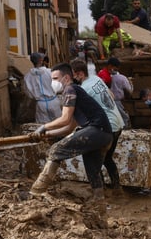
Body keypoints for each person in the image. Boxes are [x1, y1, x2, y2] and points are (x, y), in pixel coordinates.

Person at [29, 62, 112, 201]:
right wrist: (47, 135)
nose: (53, 82)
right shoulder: (76, 91)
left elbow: (65, 119)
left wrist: (44, 127)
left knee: (56, 150)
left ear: (66, 78)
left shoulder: (70, 90)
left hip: (96, 130)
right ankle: (99, 201)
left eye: (55, 78)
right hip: (104, 134)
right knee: (92, 169)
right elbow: (70, 127)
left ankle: (38, 190)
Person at [71, 59, 125, 192]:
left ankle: (99, 193)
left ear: (80, 74)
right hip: (118, 123)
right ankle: (117, 188)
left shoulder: (83, 90)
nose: (72, 77)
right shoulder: (96, 79)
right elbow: (111, 95)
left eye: (73, 74)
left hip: (107, 127)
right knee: (107, 158)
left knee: (93, 161)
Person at [24, 52, 62, 123]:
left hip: (40, 104)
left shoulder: (27, 76)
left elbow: (28, 93)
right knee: (58, 124)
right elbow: (59, 85)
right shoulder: (51, 72)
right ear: (41, 61)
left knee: (43, 127)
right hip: (53, 102)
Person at [100, 57, 133, 124]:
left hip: (106, 100)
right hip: (116, 100)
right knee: (123, 116)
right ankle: (125, 126)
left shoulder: (103, 74)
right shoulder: (121, 78)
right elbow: (128, 90)